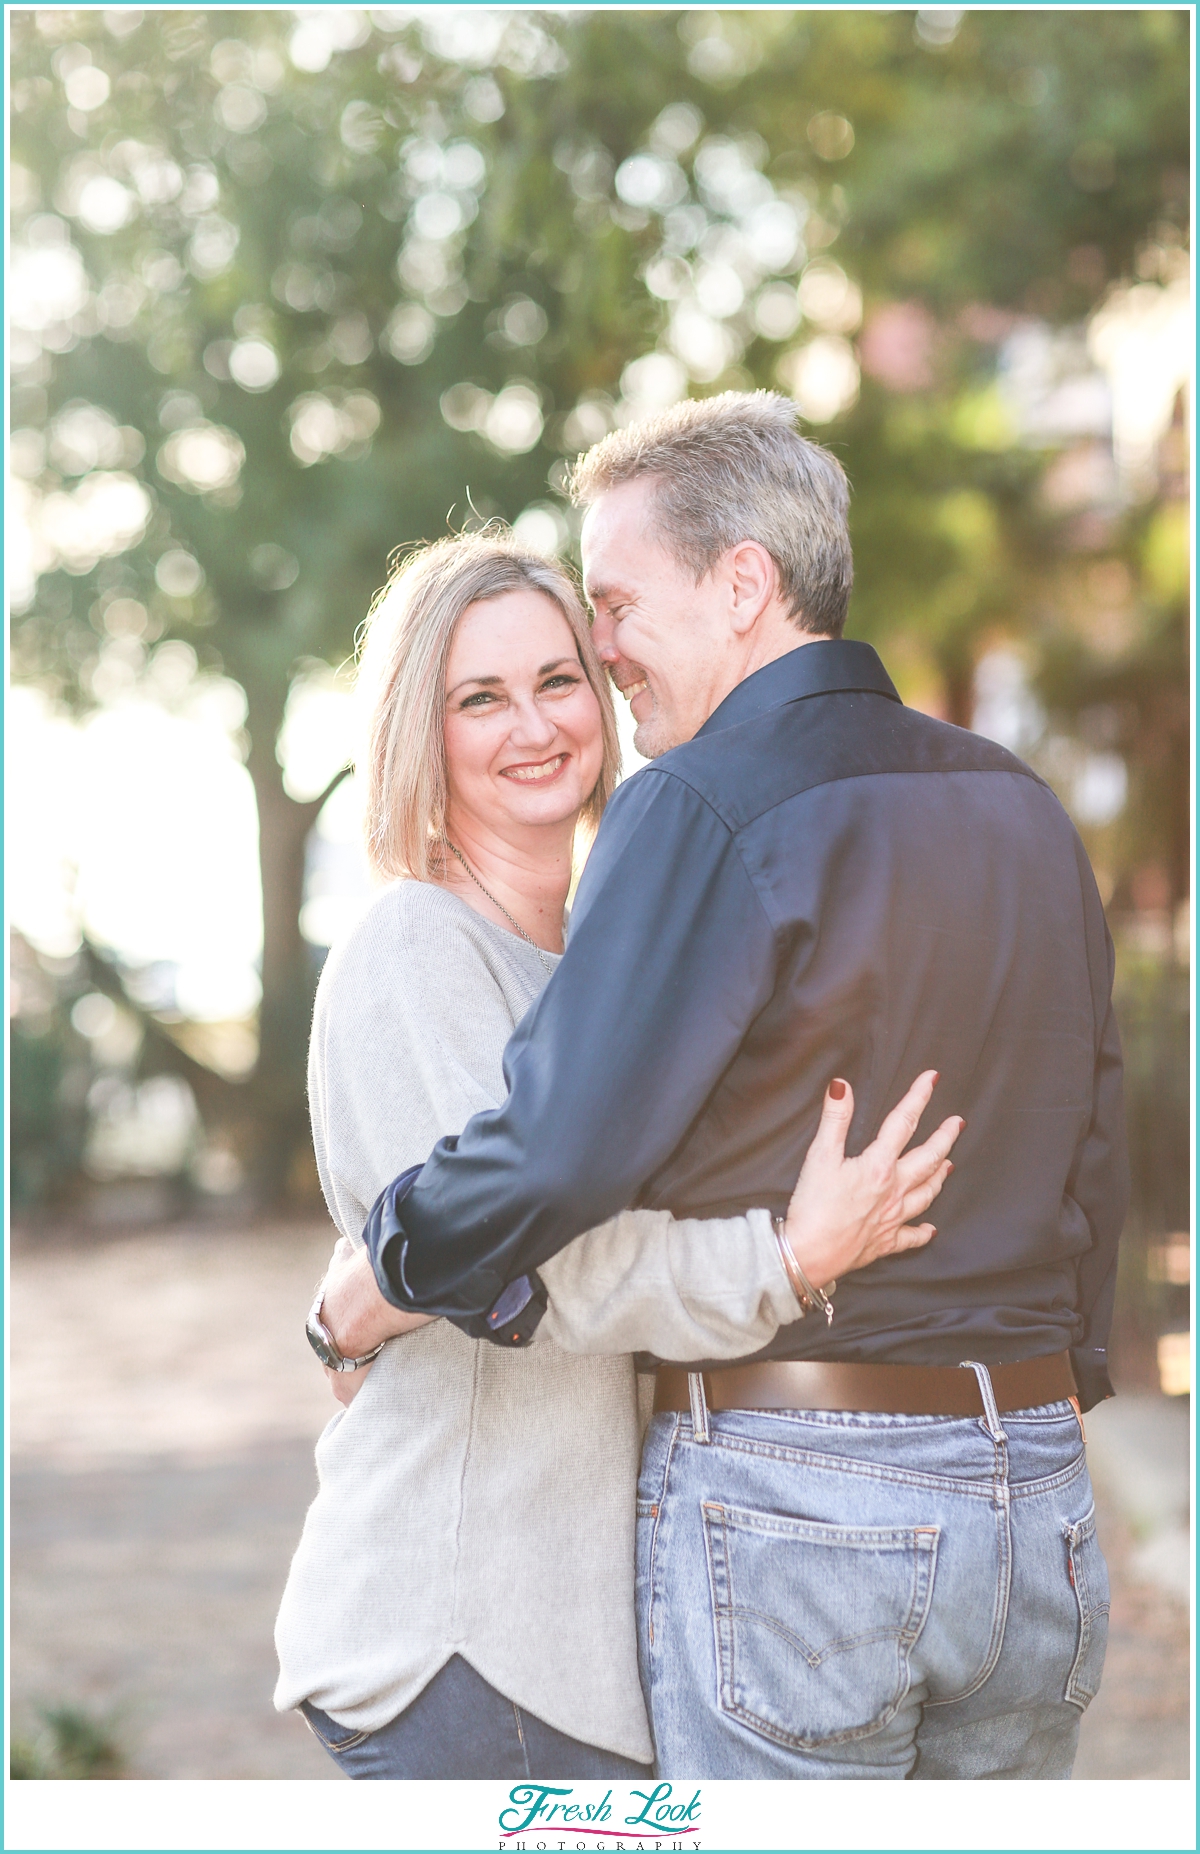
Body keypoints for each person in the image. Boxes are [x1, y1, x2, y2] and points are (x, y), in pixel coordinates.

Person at [328, 392, 1128, 1781]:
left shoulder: (698, 800)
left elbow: (563, 1153)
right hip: (1040, 1504)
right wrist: (1065, 1387)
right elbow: (1097, 1131)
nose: (611, 647)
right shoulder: (1023, 805)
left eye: (619, 606)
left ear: (744, 582)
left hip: (804, 1503)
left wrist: (391, 1257)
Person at [273, 530, 962, 1781]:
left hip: (582, 1647)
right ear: (421, 735)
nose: (533, 725)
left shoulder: (596, 965)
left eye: (556, 679)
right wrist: (790, 1257)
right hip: (463, 1634)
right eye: (478, 697)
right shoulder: (412, 946)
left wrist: (356, 1302)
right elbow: (552, 1275)